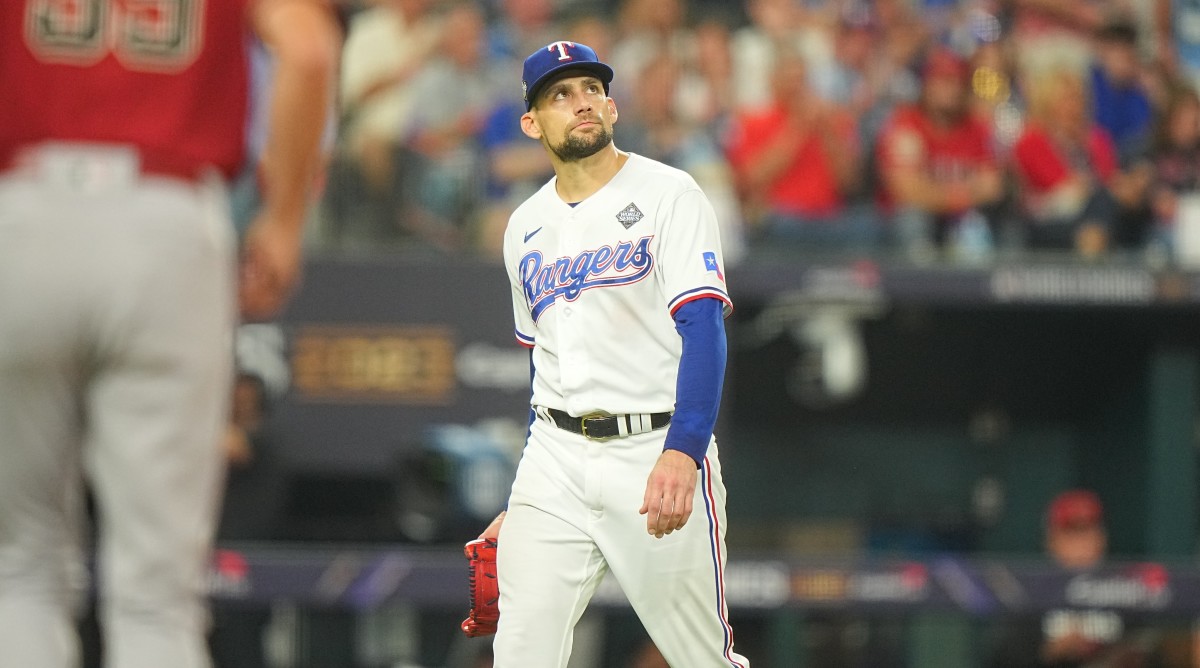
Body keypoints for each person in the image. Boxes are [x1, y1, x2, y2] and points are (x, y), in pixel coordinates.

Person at [0, 1, 339, 666]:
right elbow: (308, 51)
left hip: (25, 206)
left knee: (20, 568)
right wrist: (284, 217)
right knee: (157, 596)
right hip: (169, 217)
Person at [479, 40, 749, 667]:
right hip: (554, 459)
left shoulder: (669, 194)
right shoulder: (523, 226)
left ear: (612, 107)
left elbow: (704, 328)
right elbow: (544, 365)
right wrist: (524, 497)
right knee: (520, 653)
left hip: (653, 448)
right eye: (560, 94)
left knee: (702, 657)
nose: (582, 103)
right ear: (531, 123)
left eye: (592, 89)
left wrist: (683, 451)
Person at [988, 490, 1157, 668]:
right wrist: (1050, 652)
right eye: (1071, 534)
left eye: (1087, 532)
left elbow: (1146, 647)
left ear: (1101, 538)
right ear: (1051, 541)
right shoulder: (1030, 595)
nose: (1081, 544)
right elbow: (1002, 658)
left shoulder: (1124, 591)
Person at [875, 47, 1005, 259]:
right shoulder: (905, 125)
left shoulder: (977, 127)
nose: (949, 88)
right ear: (926, 86)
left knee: (987, 220)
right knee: (911, 217)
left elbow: (992, 186)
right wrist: (961, 195)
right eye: (941, 81)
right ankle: (919, 275)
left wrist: (939, 195)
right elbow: (906, 190)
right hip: (909, 222)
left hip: (962, 220)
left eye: (956, 81)